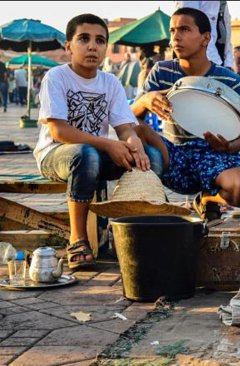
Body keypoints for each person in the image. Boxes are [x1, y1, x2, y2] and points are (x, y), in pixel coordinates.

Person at [34, 13, 168, 270]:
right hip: (55, 155)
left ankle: (138, 235)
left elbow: (125, 128)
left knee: (150, 155)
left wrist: (134, 146)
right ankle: (78, 238)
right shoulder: (56, 77)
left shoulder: (110, 82)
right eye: (84, 39)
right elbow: (59, 130)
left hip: (93, 153)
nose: (93, 46)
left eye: (100, 40)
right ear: (68, 46)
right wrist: (108, 144)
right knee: (87, 154)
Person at [131, 7, 240, 216]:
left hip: (215, 156)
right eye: (172, 31)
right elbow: (129, 118)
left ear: (205, 38)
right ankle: (154, 206)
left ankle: (207, 198)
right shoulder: (161, 72)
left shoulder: (229, 80)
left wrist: (228, 146)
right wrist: (145, 100)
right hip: (173, 154)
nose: (176, 37)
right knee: (135, 130)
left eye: (184, 29)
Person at [175, 1, 233, 69]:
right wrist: (215, 66)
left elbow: (227, 33)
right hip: (203, 62)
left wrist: (228, 63)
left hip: (218, 60)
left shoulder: (222, 3)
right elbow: (188, 30)